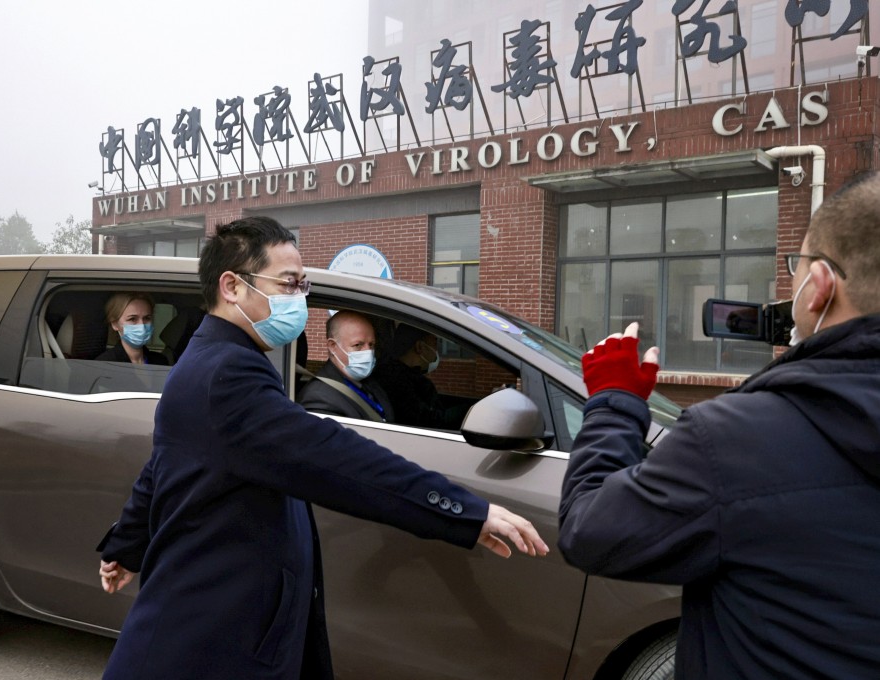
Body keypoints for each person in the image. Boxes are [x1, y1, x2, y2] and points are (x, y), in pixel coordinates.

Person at [97, 216, 548, 680]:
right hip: (214, 629)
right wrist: (464, 510)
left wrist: (128, 545)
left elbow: (164, 461)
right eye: (288, 284)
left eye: (302, 284)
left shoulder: (214, 356)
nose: (300, 299)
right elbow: (331, 455)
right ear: (232, 286)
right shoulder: (227, 374)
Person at [558, 172, 880, 678]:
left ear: (819, 286)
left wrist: (613, 403)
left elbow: (589, 530)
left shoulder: (738, 440)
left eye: (793, 269)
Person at [297, 310, 395, 421]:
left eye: (371, 345)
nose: (368, 352)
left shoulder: (370, 382)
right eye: (358, 345)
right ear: (333, 346)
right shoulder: (319, 398)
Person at [372, 323, 470, 429]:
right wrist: (468, 410)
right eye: (435, 344)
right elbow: (429, 421)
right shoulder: (396, 381)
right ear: (420, 347)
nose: (437, 351)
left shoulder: (406, 375)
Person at [95, 292, 169, 365]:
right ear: (115, 324)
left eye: (147, 318)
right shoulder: (105, 363)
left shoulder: (160, 361)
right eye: (132, 319)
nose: (142, 325)